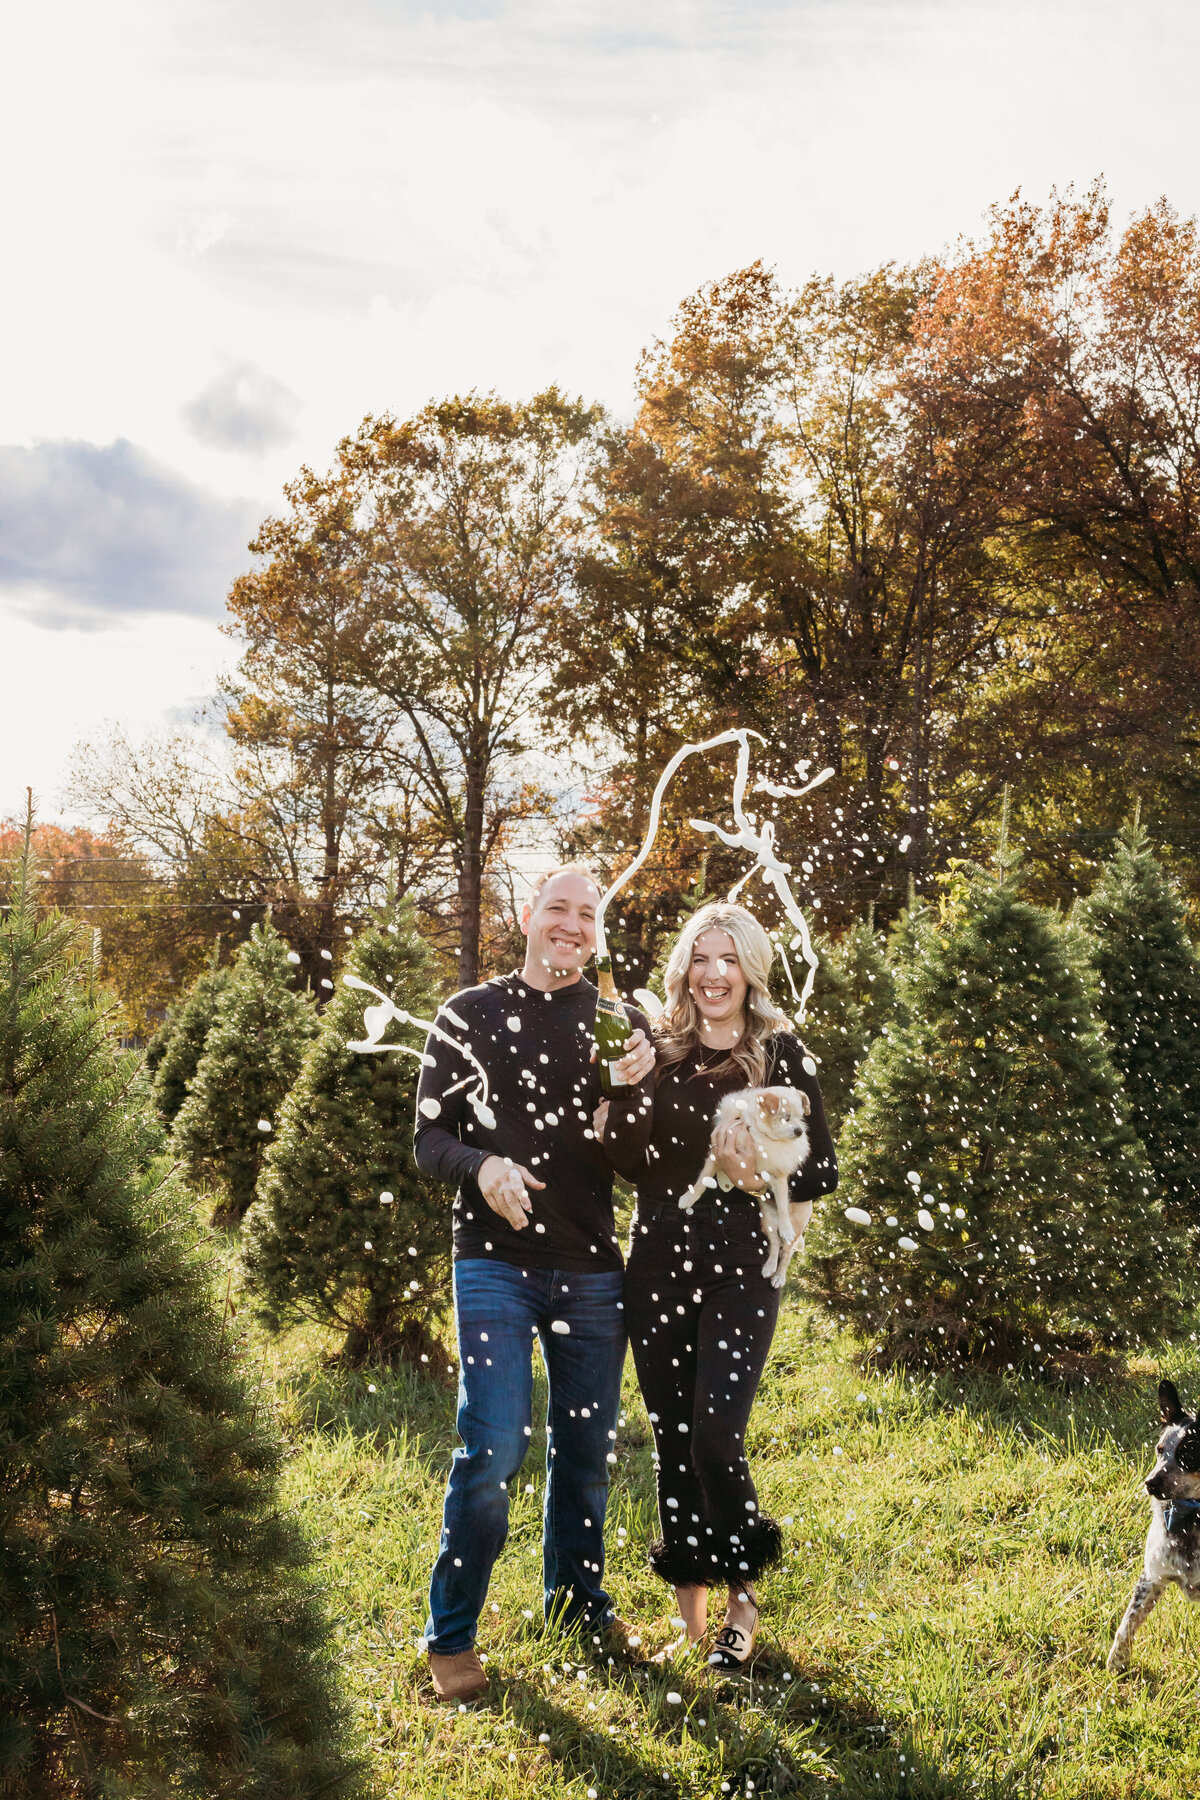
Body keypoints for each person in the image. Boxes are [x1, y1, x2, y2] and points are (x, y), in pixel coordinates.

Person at [413, 864, 655, 1703]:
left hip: (591, 1268)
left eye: (588, 915)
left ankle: (577, 1605)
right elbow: (429, 1140)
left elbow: (635, 1160)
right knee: (495, 1445)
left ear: (596, 931)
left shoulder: (623, 1025)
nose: (573, 925)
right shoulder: (467, 1016)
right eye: (559, 908)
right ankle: (451, 1632)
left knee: (588, 1452)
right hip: (493, 1263)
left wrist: (626, 1099)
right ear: (527, 915)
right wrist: (481, 1169)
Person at [597, 902, 837, 1666]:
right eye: (701, 958)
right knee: (672, 1443)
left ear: (750, 970)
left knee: (714, 1437)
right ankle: (693, 1627)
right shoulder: (660, 1050)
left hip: (741, 1267)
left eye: (728, 959)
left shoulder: (782, 1054)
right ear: (683, 970)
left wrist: (753, 1178)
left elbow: (815, 1170)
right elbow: (632, 1161)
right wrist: (614, 1096)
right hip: (658, 1262)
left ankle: (744, 1600)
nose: (713, 974)